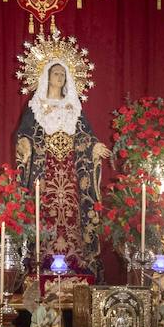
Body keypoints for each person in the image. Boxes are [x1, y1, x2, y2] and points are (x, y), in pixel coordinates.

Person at [14, 59, 109, 261]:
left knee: (72, 212)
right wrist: (24, 143)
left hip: (70, 172)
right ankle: (41, 261)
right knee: (43, 212)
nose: (60, 77)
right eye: (56, 73)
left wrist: (94, 146)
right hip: (44, 171)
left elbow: (85, 135)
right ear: (47, 77)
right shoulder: (35, 107)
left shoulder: (73, 107)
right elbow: (24, 133)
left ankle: (74, 261)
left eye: (63, 74)